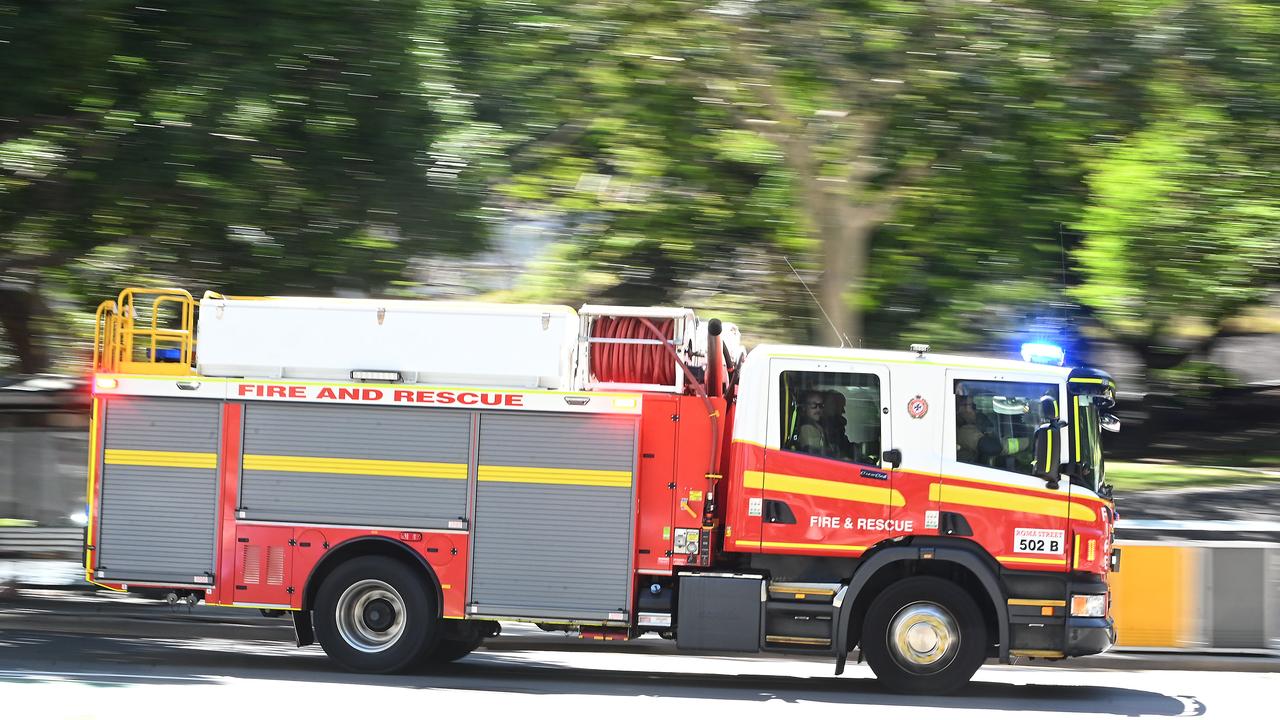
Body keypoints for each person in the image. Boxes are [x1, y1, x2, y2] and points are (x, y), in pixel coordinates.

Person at [790, 390, 829, 456]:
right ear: (804, 407)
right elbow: (814, 453)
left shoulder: (818, 424)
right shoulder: (806, 428)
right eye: (814, 405)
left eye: (821, 405)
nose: (818, 409)